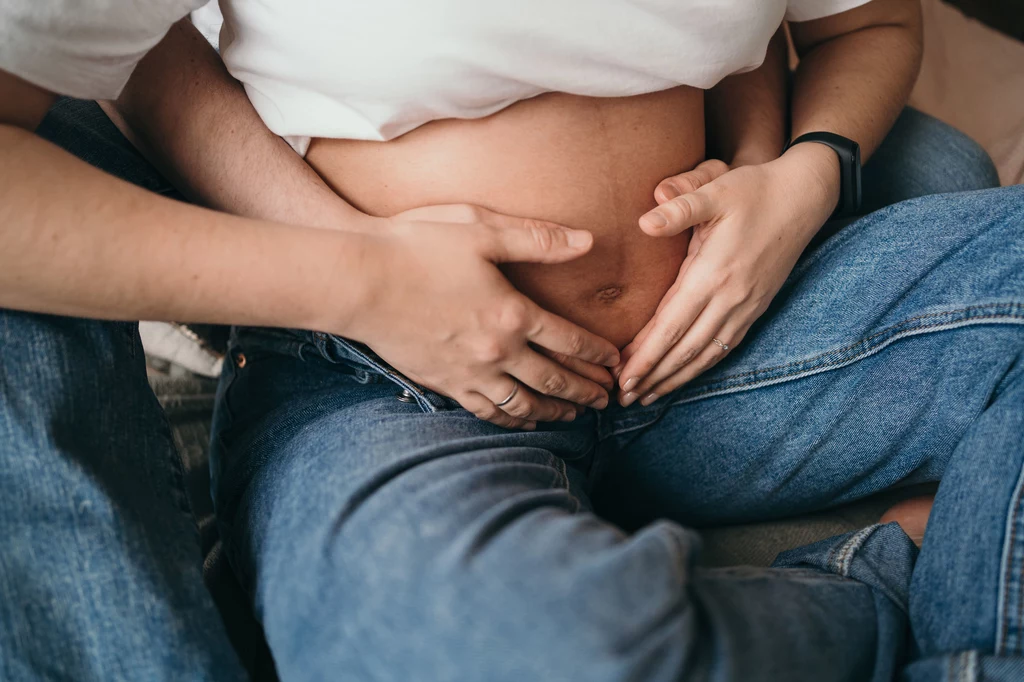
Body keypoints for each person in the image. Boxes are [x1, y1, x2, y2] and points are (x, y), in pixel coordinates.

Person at [0, 4, 1008, 682]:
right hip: (386, 373)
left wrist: (803, 174)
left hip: (736, 334)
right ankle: (875, 580)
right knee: (515, 648)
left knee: (942, 167)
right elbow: (125, 66)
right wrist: (360, 274)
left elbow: (868, 19)